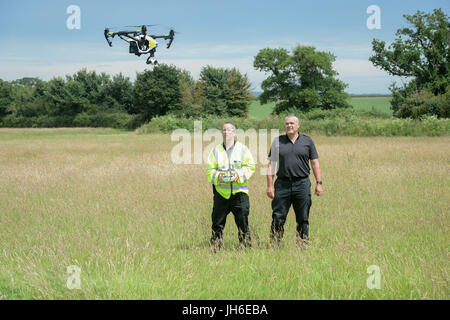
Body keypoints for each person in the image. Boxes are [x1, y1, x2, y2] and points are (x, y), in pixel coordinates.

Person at [266, 115, 323, 248]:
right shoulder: (277, 141)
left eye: (292, 123)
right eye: (287, 124)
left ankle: (302, 245)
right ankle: (275, 245)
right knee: (278, 217)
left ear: (298, 126)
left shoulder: (307, 141)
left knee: (303, 218)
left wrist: (319, 183)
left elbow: (315, 163)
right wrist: (270, 186)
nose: (289, 125)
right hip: (282, 184)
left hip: (302, 184)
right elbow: (271, 165)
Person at [206, 122, 256, 251]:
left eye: (229, 130)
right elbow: (209, 170)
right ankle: (216, 248)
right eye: (224, 130)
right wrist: (219, 176)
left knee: (243, 223)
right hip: (221, 194)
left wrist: (238, 175)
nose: (226, 132)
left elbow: (250, 167)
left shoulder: (243, 149)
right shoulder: (215, 151)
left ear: (234, 133)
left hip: (239, 194)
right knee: (217, 224)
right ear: (221, 133)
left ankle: (245, 248)